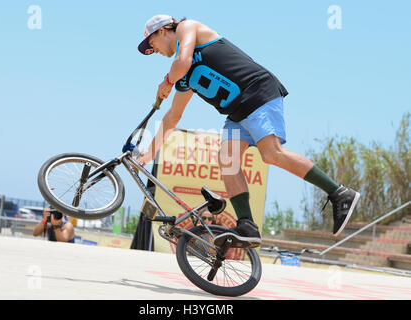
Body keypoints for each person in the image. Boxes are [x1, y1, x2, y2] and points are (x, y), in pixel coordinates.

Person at [137, 15, 361, 248]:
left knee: (271, 153)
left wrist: (166, 82)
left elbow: (182, 62)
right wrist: (150, 152)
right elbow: (173, 116)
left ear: (163, 31)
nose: (154, 51)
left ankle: (339, 193)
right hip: (237, 112)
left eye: (151, 45)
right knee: (227, 159)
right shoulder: (181, 78)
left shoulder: (187, 27)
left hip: (257, 93)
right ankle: (247, 226)